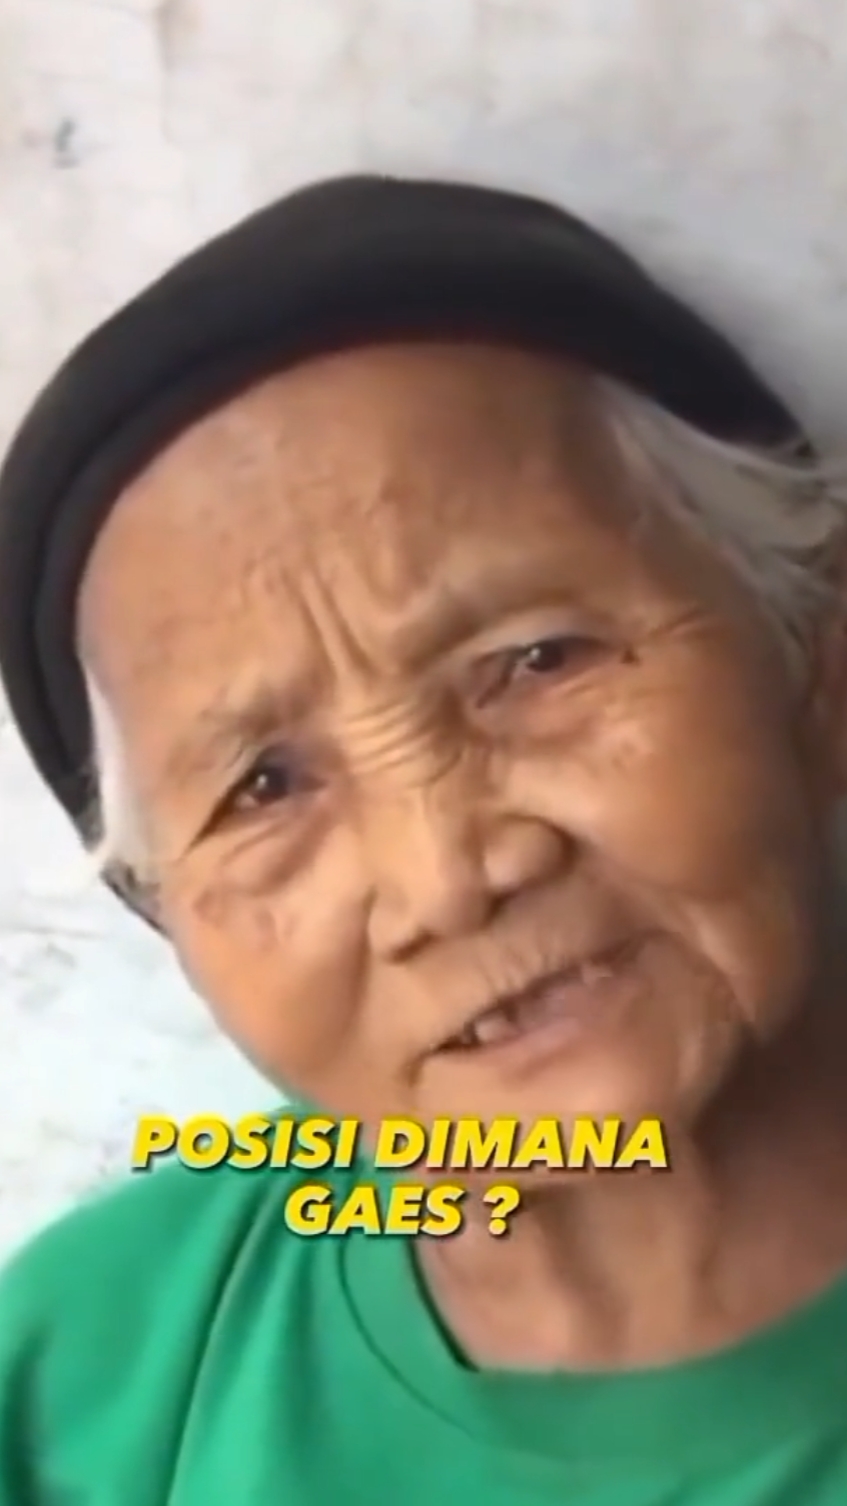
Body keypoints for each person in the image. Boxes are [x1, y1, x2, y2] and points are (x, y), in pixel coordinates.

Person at [1, 173, 847, 1505]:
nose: (445, 877)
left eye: (538, 659)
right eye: (264, 787)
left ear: (816, 656)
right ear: (171, 915)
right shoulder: (84, 1380)